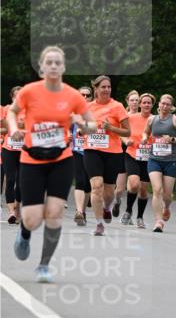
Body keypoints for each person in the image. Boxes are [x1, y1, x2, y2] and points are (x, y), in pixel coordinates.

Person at [7, 46, 94, 282]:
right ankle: (25, 232)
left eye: (58, 62)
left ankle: (44, 265)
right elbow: (12, 113)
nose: (54, 66)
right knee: (33, 218)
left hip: (61, 159)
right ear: (42, 67)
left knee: (55, 213)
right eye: (49, 62)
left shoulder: (73, 96)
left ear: (63, 67)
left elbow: (92, 125)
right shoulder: (29, 91)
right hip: (32, 159)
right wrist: (14, 129)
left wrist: (82, 123)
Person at [83, 76, 130, 236]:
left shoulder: (117, 107)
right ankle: (98, 223)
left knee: (109, 192)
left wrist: (111, 128)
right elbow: (82, 130)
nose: (106, 90)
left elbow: (127, 131)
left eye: (108, 87)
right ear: (96, 89)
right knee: (96, 187)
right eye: (103, 87)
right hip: (92, 150)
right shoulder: (88, 107)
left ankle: (107, 207)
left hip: (113, 153)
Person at [142, 93, 176, 233]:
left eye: (167, 104)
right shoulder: (151, 119)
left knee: (167, 195)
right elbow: (146, 132)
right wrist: (144, 138)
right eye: (162, 103)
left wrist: (172, 140)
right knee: (157, 190)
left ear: (171, 107)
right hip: (154, 159)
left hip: (170, 161)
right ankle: (158, 221)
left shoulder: (175, 120)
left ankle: (166, 207)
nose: (164, 106)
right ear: (159, 104)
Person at [122, 91, 153, 228]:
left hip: (148, 157)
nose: (146, 104)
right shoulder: (131, 118)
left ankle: (140, 217)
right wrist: (126, 140)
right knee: (134, 184)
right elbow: (120, 132)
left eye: (149, 102)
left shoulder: (155, 120)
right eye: (144, 102)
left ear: (152, 105)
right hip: (132, 154)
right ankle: (128, 210)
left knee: (143, 190)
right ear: (140, 104)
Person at [112, 90, 140, 218]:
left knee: (133, 185)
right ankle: (117, 201)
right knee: (119, 189)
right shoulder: (124, 117)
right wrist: (125, 140)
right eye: (132, 100)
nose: (135, 102)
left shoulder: (143, 117)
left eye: (137, 100)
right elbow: (117, 133)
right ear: (127, 102)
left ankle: (129, 210)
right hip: (122, 152)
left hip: (137, 154)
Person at [2, 87, 25, 225]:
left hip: (23, 150)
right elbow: (3, 128)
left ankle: (18, 209)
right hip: (9, 149)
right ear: (11, 97)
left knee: (21, 182)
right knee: (10, 180)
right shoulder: (6, 109)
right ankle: (11, 212)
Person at [72, 85, 92, 226]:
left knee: (88, 184)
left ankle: (83, 211)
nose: (84, 97)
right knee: (79, 180)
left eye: (87, 95)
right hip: (76, 150)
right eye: (82, 95)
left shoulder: (95, 111)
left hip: (92, 151)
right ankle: (79, 211)